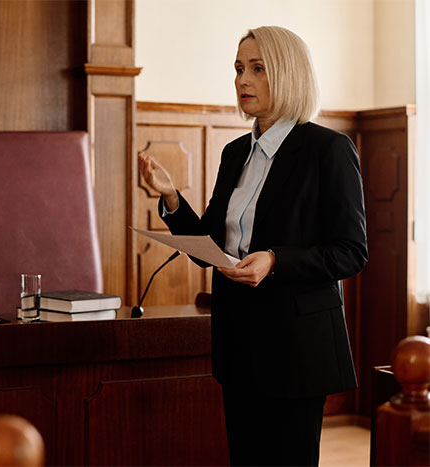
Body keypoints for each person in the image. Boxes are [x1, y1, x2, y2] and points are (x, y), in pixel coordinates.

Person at [139, 26, 367, 466]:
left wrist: (276, 261)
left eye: (258, 69)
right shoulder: (233, 153)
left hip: (296, 349)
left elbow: (351, 251)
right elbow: (208, 242)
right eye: (240, 68)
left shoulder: (330, 150)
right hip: (239, 342)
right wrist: (170, 197)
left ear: (289, 74)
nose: (243, 80)